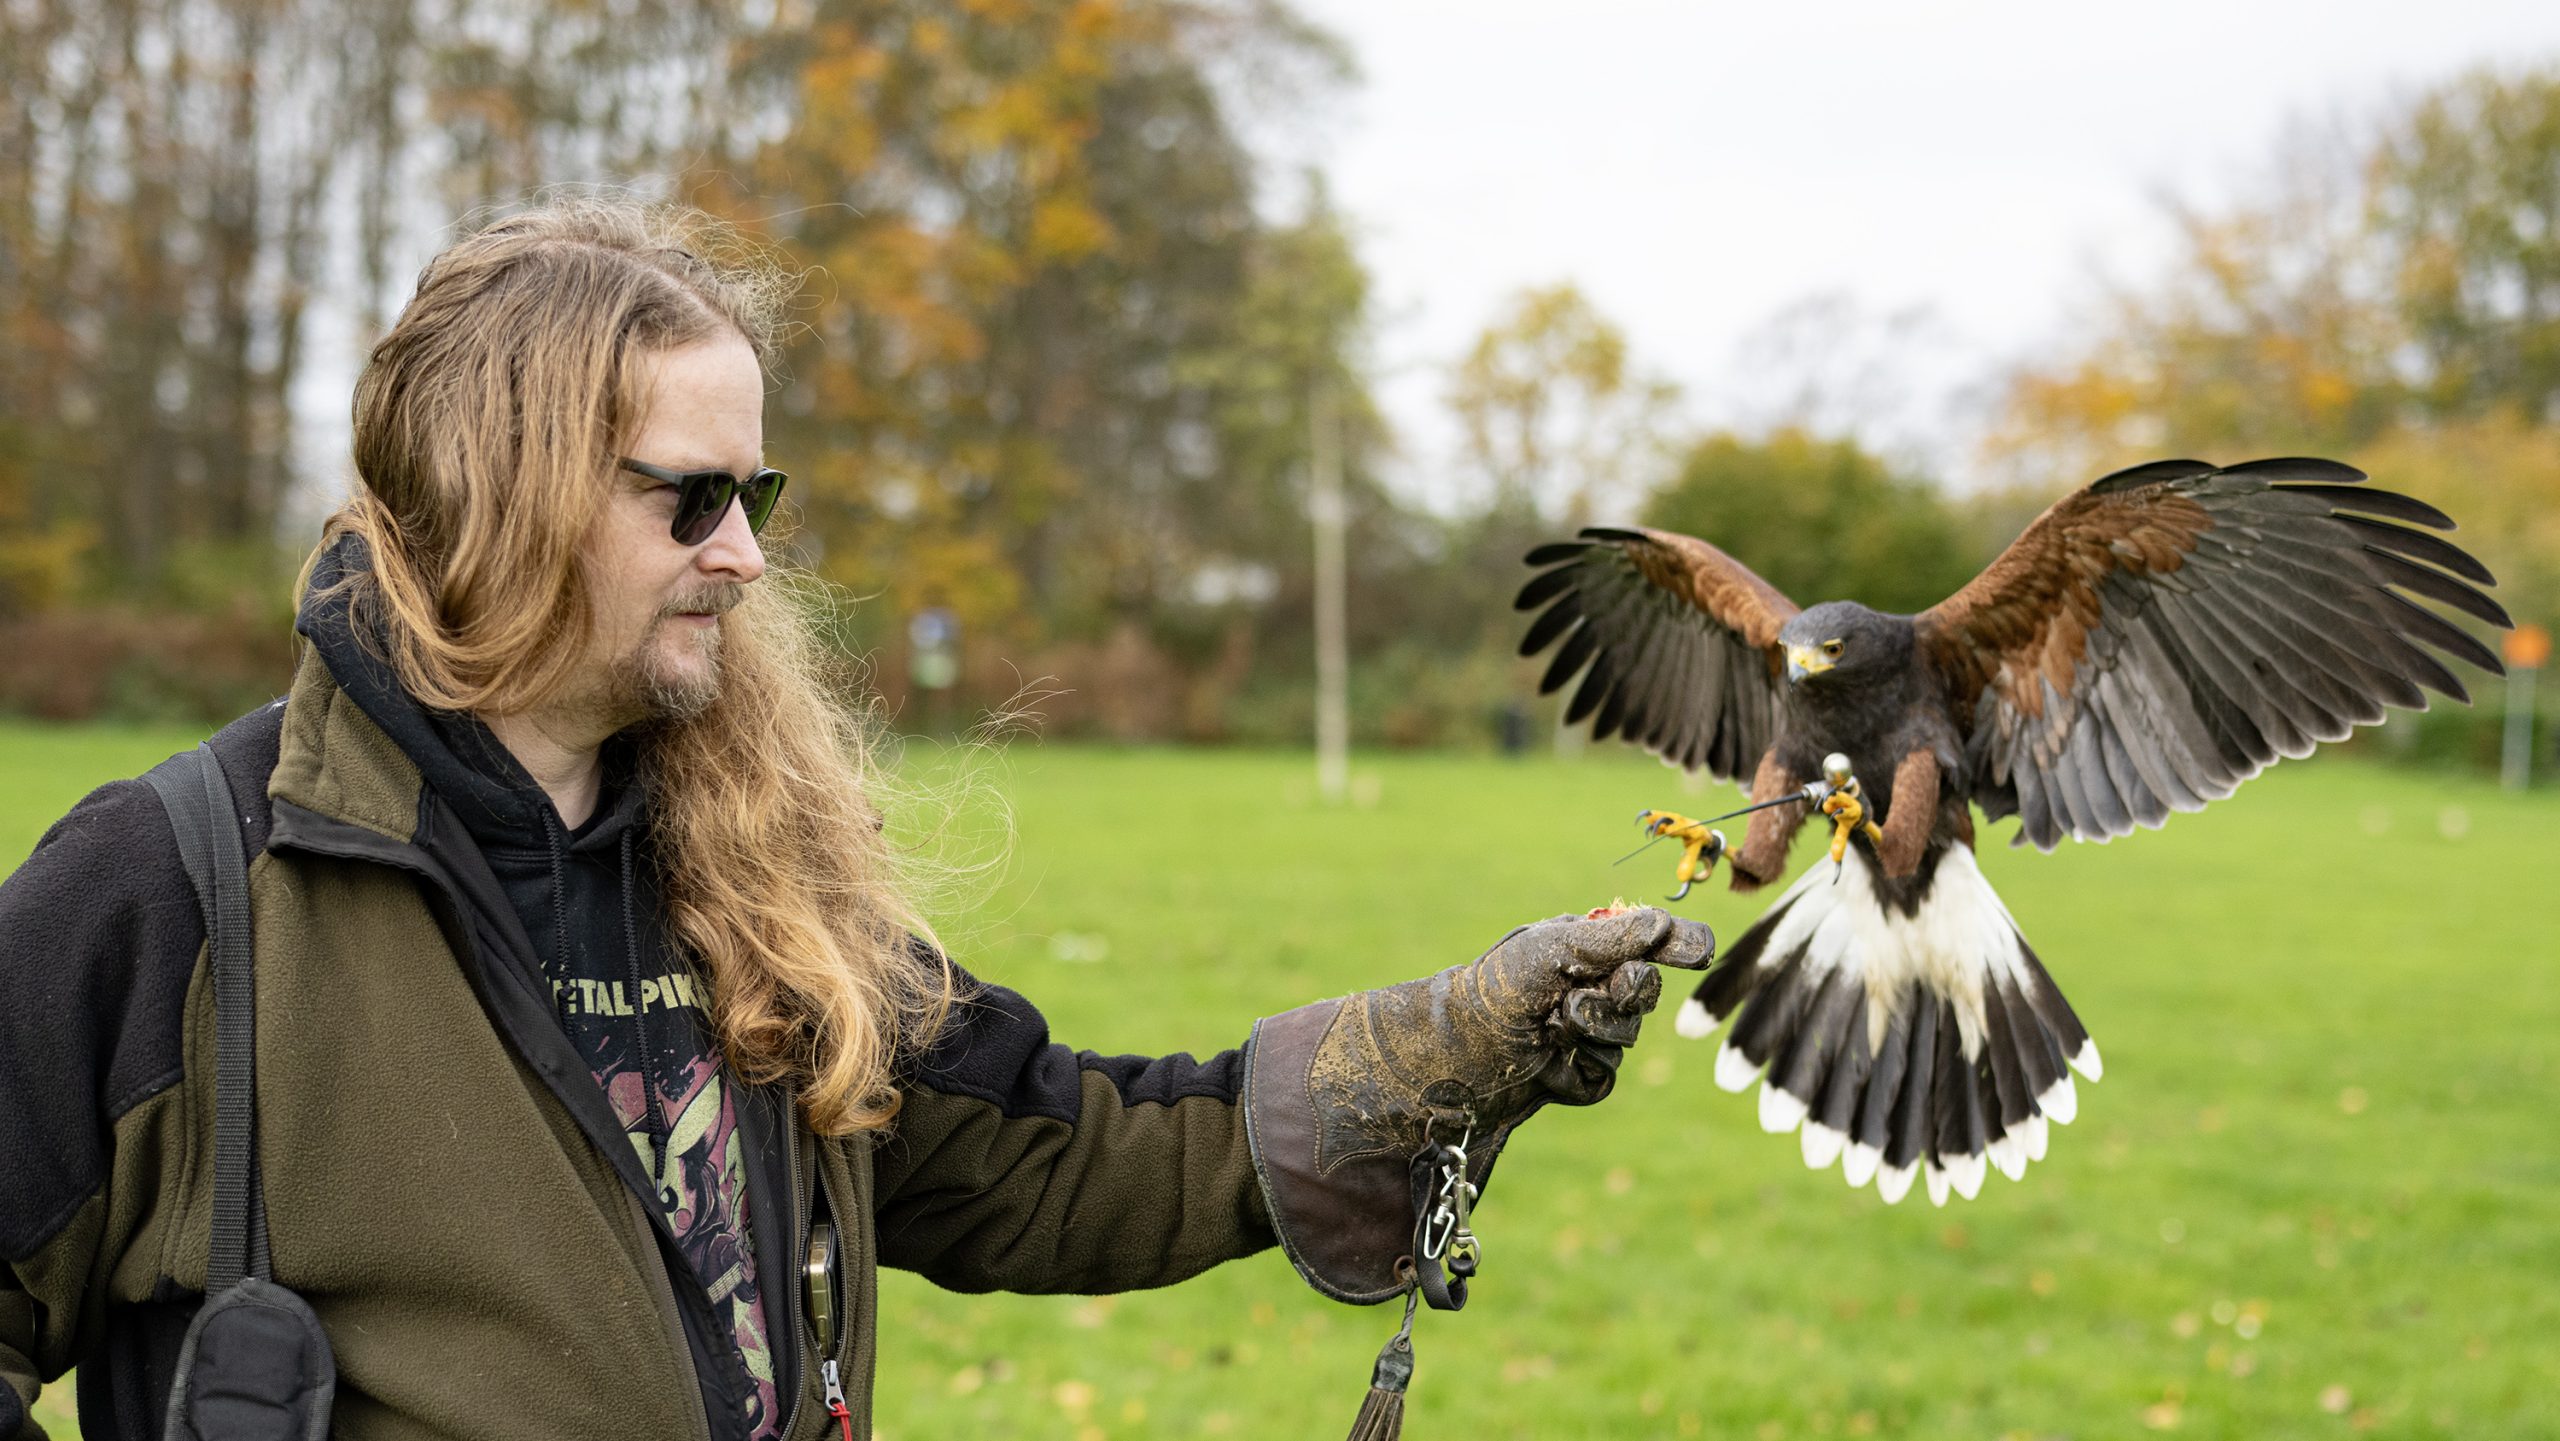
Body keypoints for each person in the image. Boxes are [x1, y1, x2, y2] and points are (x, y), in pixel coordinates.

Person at [0, 197, 1710, 1441]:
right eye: (691, 497)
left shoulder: (742, 875)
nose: (744, 552)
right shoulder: (178, 894)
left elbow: (1057, 1153)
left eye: (759, 495)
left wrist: (1416, 1059)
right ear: (498, 484)